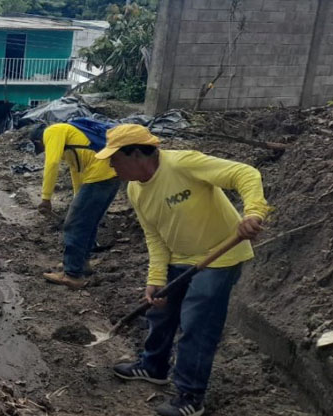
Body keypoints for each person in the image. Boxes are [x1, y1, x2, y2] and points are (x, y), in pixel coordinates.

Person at [97, 124, 269, 416]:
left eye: (115, 159)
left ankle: (190, 396)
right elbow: (154, 236)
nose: (111, 166)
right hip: (179, 256)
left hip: (219, 257)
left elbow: (245, 173)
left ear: (136, 154)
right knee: (160, 312)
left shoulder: (182, 163)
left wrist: (253, 212)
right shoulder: (135, 190)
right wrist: (155, 278)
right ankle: (153, 366)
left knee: (197, 324)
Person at [31, 120, 121, 289]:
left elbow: (52, 163)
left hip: (99, 175)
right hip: (112, 174)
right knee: (88, 222)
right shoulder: (70, 135)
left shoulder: (52, 131)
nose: (44, 150)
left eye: (41, 148)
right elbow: (76, 168)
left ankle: (72, 274)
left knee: (74, 224)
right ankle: (81, 263)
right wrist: (77, 196)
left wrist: (46, 198)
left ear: (38, 141)